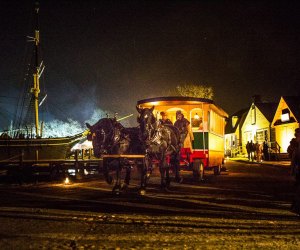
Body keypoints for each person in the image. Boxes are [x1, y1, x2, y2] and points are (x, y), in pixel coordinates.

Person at [287, 128, 300, 214]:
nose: (296, 137)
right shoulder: (295, 146)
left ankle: (296, 206)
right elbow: (293, 159)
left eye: (297, 135)